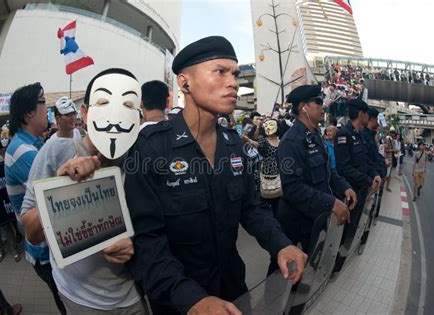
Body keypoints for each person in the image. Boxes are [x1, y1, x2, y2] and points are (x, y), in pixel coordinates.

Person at [124, 36, 307, 315]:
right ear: (185, 83)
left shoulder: (232, 142)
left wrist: (281, 244)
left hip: (233, 290)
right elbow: (146, 241)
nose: (233, 82)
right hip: (180, 301)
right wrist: (191, 299)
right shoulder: (152, 147)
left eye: (234, 74)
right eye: (220, 72)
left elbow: (252, 208)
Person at [21, 68, 146, 314]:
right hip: (80, 298)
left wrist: (136, 244)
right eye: (104, 103)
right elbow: (32, 233)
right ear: (86, 113)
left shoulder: (143, 158)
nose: (116, 117)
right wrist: (61, 186)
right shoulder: (56, 151)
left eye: (128, 106)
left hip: (134, 295)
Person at [4, 82, 66, 314]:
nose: (47, 109)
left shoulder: (35, 144)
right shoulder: (23, 152)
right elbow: (59, 194)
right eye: (43, 102)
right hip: (46, 253)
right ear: (29, 113)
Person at [275, 85, 356, 259]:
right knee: (283, 271)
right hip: (295, 222)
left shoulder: (316, 136)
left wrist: (344, 187)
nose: (323, 106)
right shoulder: (291, 141)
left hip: (315, 218)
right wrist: (331, 203)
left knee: (310, 268)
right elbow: (293, 188)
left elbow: (328, 171)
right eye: (318, 102)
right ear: (303, 108)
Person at [335, 99, 381, 194]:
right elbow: (344, 168)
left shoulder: (359, 134)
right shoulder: (344, 134)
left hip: (361, 188)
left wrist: (374, 174)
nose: (368, 117)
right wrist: (368, 180)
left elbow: (363, 160)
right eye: (367, 114)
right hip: (351, 190)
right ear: (361, 114)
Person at [257, 118, 281, 215]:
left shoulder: (281, 141)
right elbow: (257, 146)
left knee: (278, 196)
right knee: (266, 195)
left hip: (280, 172)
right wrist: (248, 140)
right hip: (266, 172)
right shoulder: (263, 141)